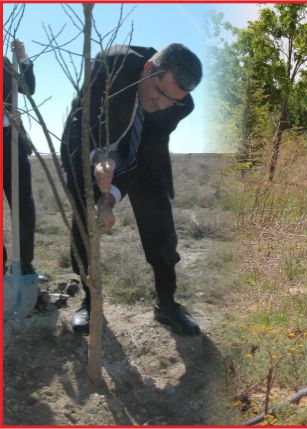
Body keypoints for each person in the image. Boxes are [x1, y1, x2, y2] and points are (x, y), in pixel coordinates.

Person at [61, 44, 202, 336]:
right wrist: (97, 162)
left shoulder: (180, 106)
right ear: (149, 70)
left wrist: (111, 196)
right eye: (160, 93)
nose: (163, 105)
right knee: (84, 218)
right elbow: (80, 123)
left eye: (172, 101)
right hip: (88, 145)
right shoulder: (113, 65)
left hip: (144, 156)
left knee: (160, 227)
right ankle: (90, 302)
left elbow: (144, 151)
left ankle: (166, 304)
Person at [3, 39, 42, 279]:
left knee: (23, 207)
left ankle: (25, 265)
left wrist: (23, 57)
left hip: (13, 142)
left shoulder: (5, 63)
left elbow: (28, 87)